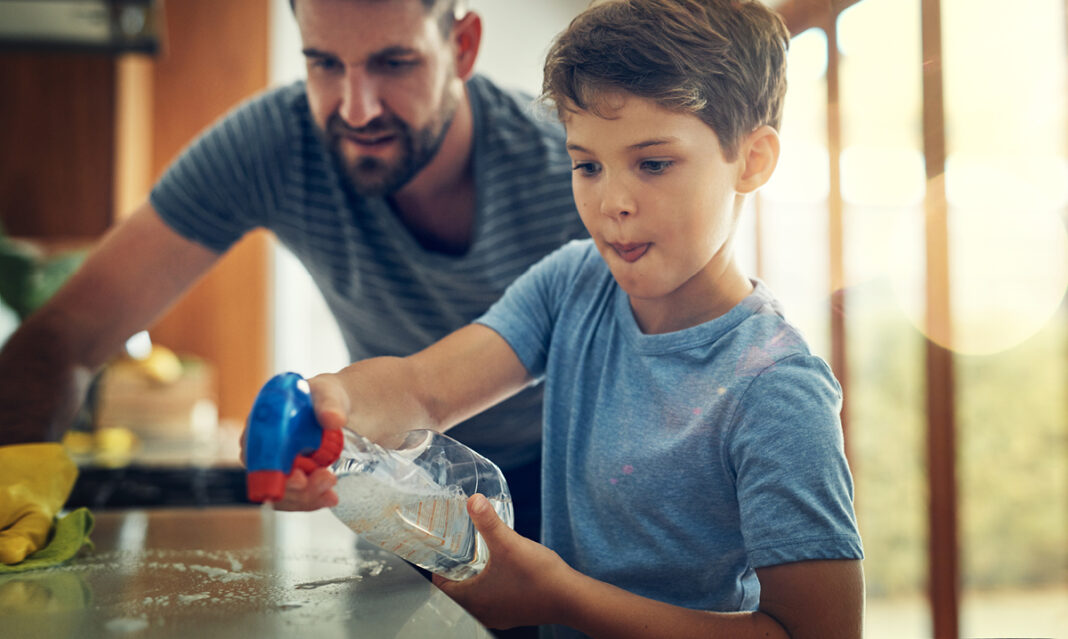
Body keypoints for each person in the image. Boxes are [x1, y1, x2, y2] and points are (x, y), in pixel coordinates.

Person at [279, 0, 866, 636]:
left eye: (654, 164)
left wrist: (558, 597)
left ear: (751, 160)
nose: (612, 202)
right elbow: (423, 389)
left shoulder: (777, 387)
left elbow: (818, 631)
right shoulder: (573, 282)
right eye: (587, 164)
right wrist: (330, 404)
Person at [0, 0, 587, 544]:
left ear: (462, 48)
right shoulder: (273, 144)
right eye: (324, 63)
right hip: (399, 489)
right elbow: (63, 338)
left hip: (574, 489)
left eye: (395, 62)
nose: (357, 108)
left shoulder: (578, 172)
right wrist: (14, 478)